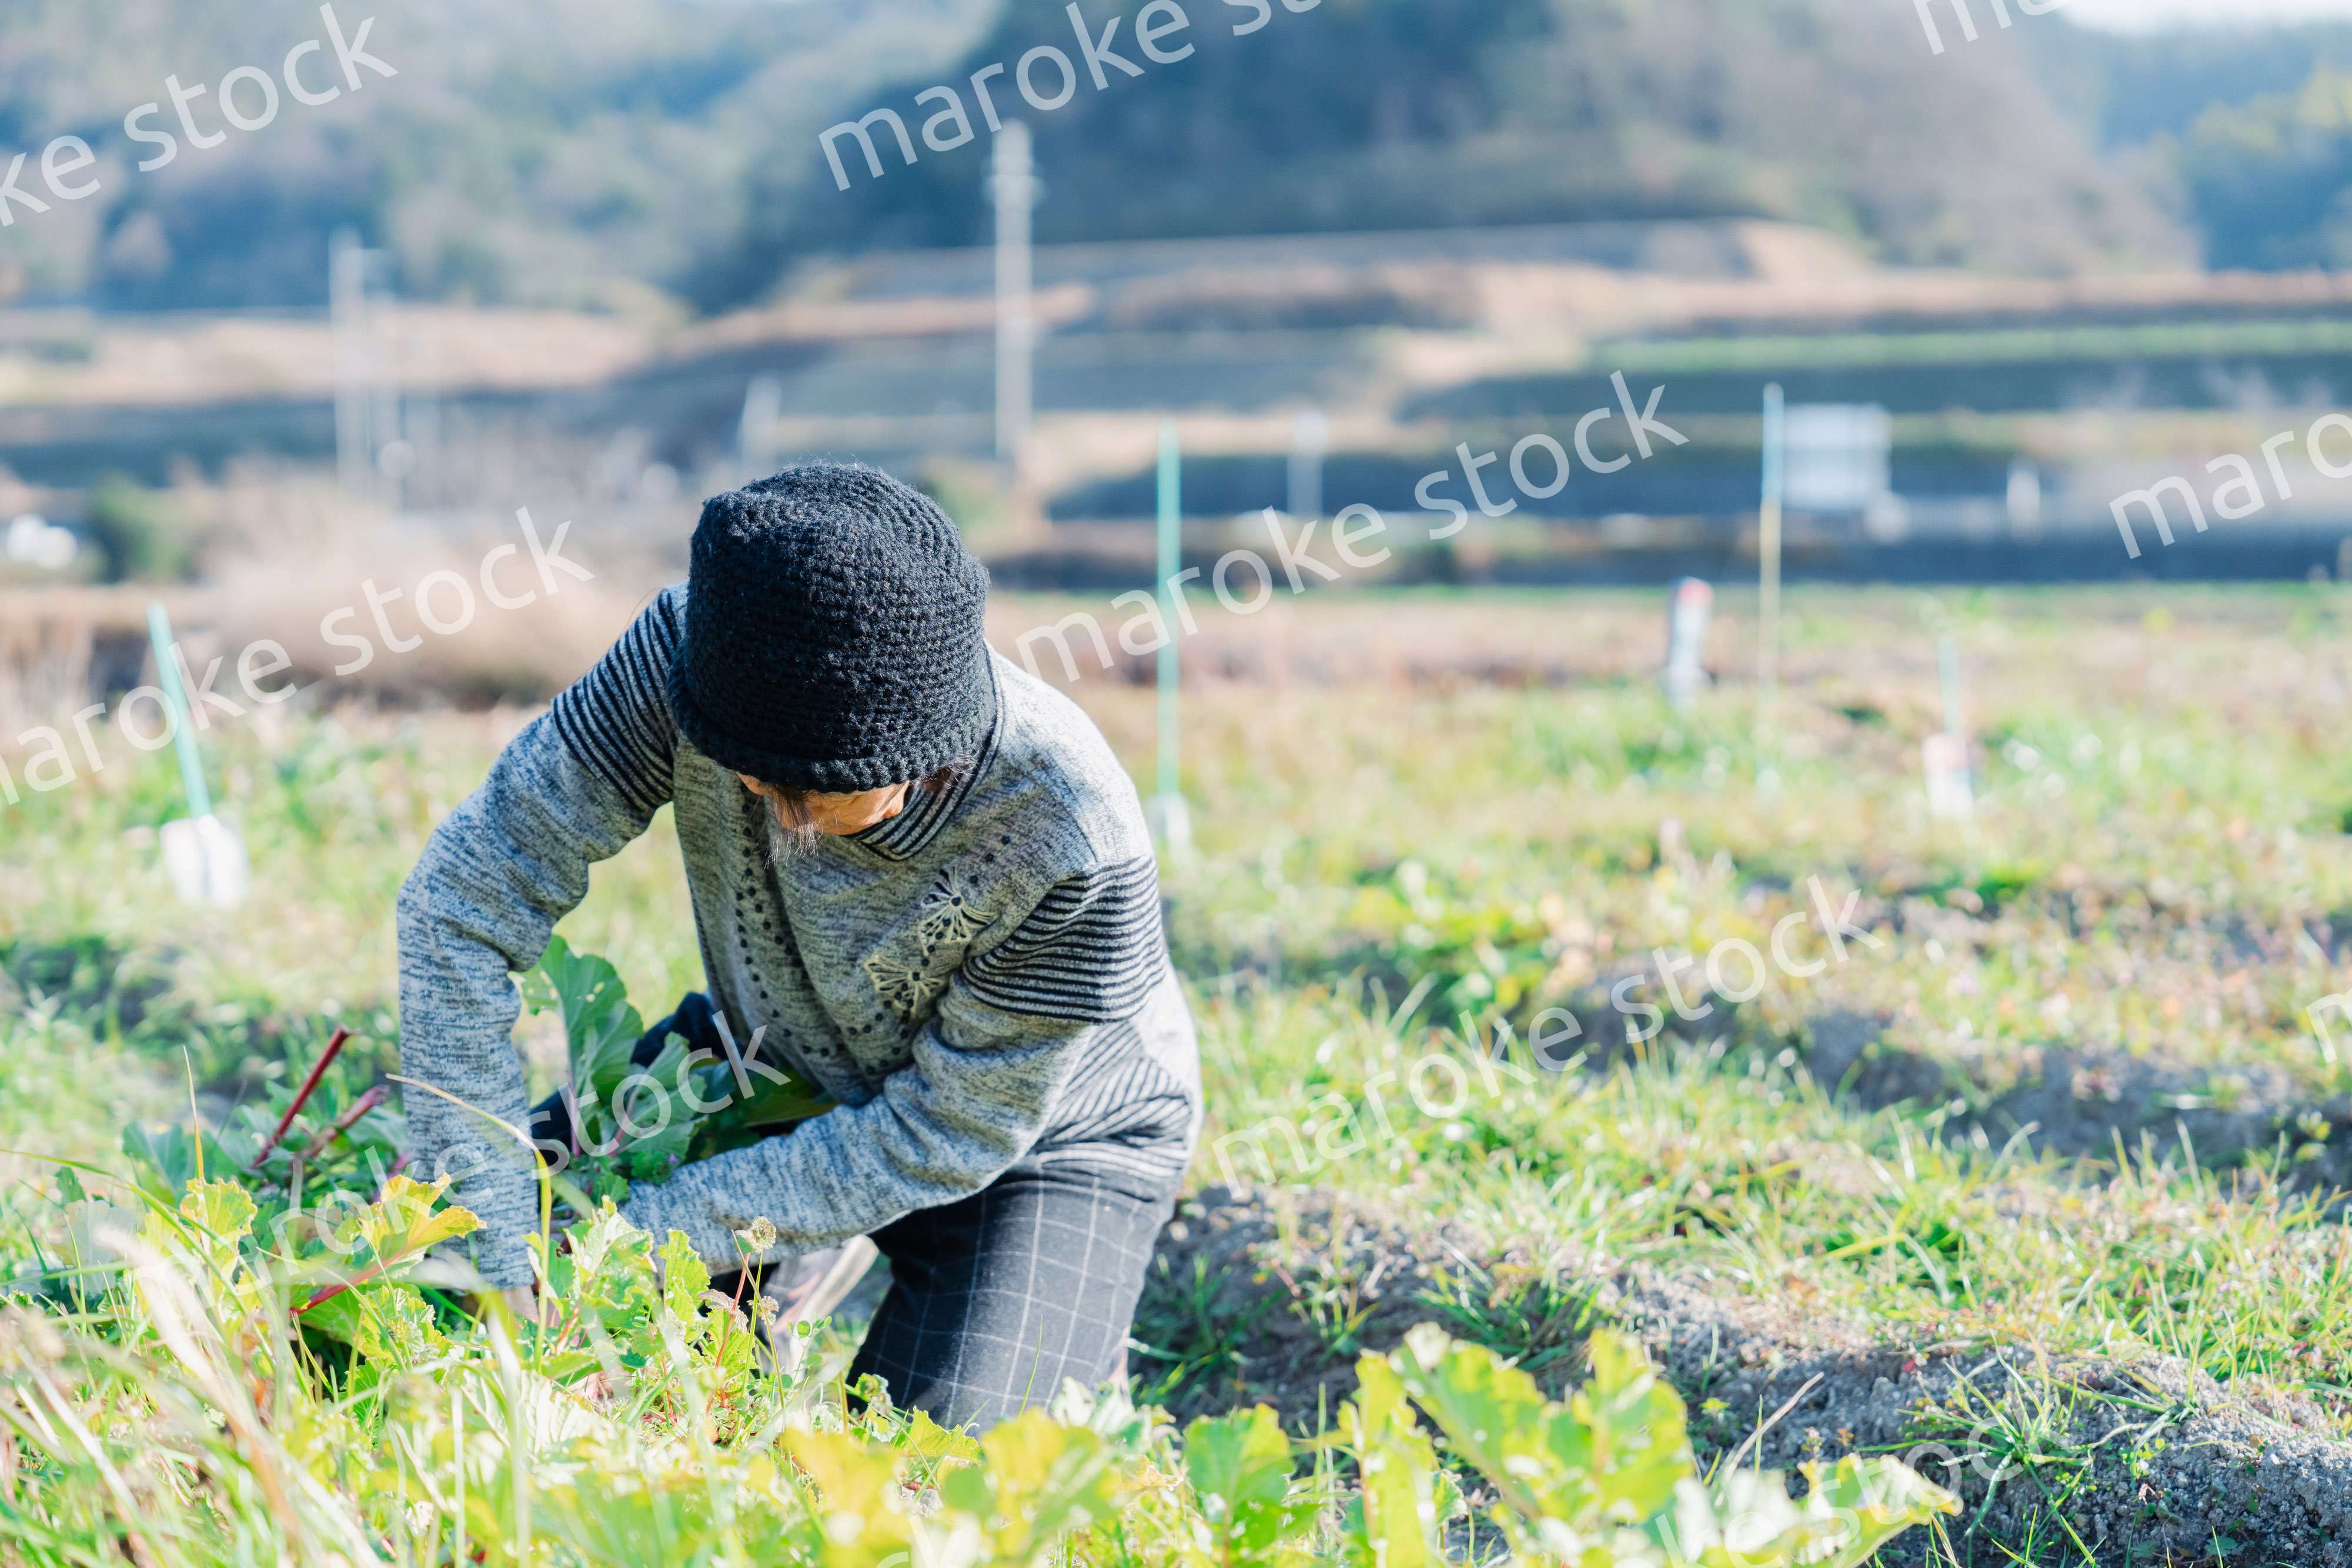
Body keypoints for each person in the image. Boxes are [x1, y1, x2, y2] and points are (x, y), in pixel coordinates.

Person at [395, 462, 1200, 1427]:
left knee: (912, 1494)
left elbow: (944, 1138)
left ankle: (1013, 1317)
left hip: (1042, 1141)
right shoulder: (694, 657)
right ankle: (788, 1268)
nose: (772, 820)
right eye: (746, 776)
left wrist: (633, 1240)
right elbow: (462, 902)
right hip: (766, 1064)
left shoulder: (1069, 832)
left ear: (914, 763)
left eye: (810, 798)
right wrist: (500, 1241)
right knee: (431, 1298)